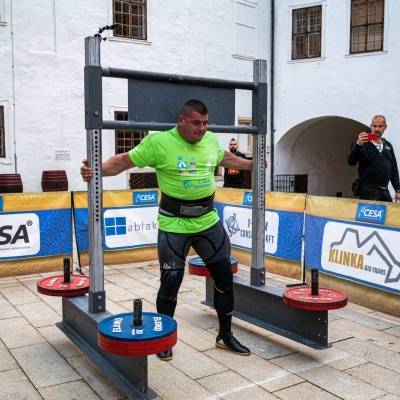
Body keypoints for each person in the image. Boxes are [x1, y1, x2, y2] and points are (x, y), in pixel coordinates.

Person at [81, 99, 253, 361]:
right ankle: (163, 339)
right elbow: (125, 161)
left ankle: (225, 335)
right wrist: (96, 170)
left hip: (208, 222)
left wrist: (252, 164)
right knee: (171, 281)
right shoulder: (159, 143)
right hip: (174, 224)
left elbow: (225, 157)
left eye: (205, 123)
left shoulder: (209, 141)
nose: (202, 128)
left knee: (224, 279)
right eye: (196, 123)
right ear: (181, 120)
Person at [348, 115, 400, 202]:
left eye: (380, 126)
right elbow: (351, 162)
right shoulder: (363, 142)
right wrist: (358, 144)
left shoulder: (388, 145)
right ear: (371, 126)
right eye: (374, 126)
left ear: (385, 127)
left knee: (389, 210)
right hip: (368, 191)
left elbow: (394, 170)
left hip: (384, 191)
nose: (377, 129)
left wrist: (398, 190)